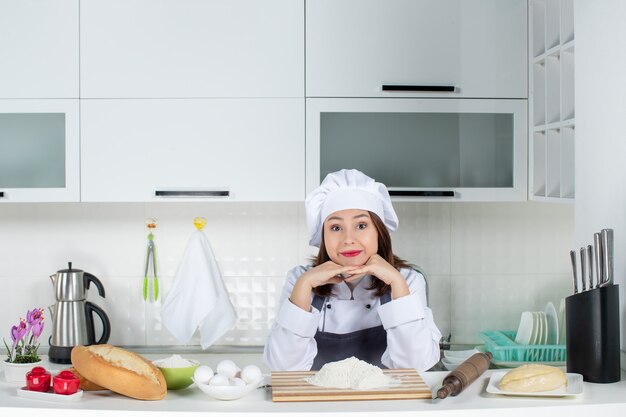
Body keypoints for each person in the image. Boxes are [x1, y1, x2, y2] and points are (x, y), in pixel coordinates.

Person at [263, 169, 441, 371]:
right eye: (336, 228)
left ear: (379, 232)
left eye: (361, 225)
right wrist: (304, 285)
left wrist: (397, 284)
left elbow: (415, 366)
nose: (348, 239)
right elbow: (283, 368)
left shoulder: (408, 280)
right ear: (323, 236)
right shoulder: (300, 279)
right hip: (318, 401)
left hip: (386, 401)